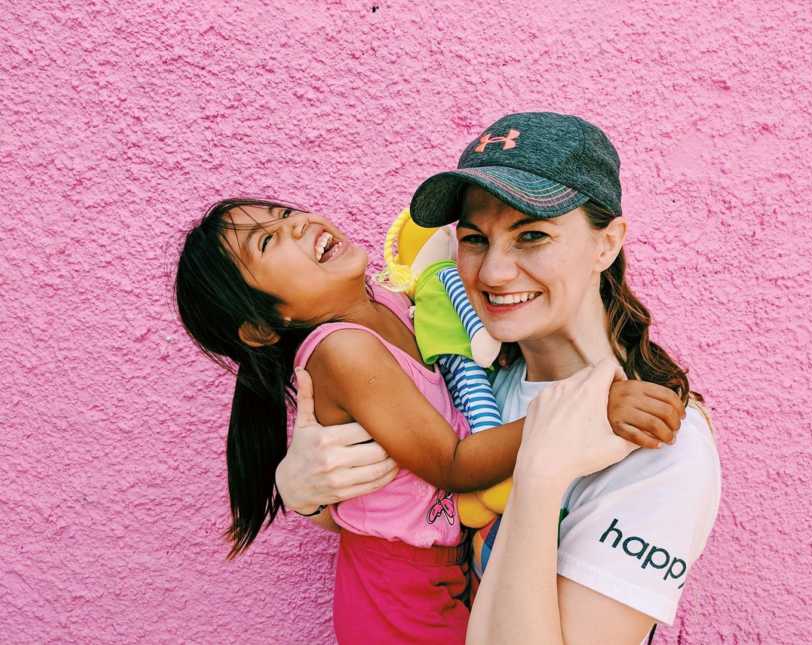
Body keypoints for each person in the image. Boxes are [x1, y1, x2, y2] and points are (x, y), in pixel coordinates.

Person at [278, 112, 721, 644]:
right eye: (475, 239)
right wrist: (304, 493)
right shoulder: (480, 385)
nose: (492, 273)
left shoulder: (657, 444)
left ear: (607, 244)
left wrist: (539, 474)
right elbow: (407, 515)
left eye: (531, 235)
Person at [173, 195, 683, 645]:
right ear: (263, 328)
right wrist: (590, 410)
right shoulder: (343, 352)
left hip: (439, 564)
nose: (299, 224)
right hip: (397, 591)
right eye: (268, 242)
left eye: (284, 214)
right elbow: (453, 463)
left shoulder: (393, 305)